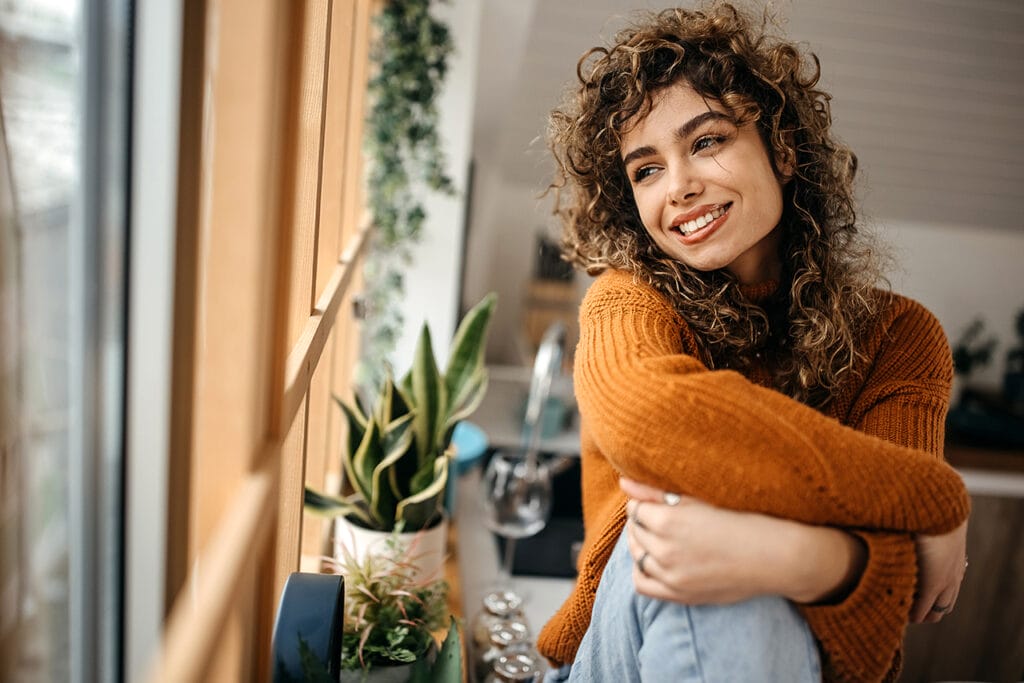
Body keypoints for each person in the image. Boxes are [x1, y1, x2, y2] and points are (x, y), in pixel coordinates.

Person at [533, 3, 971, 682]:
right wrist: (932, 495)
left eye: (706, 141)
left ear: (783, 148)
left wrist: (779, 556)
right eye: (645, 169)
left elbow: (906, 581)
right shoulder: (629, 300)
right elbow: (656, 419)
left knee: (724, 554)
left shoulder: (900, 336)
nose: (677, 186)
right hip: (618, 650)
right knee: (706, 537)